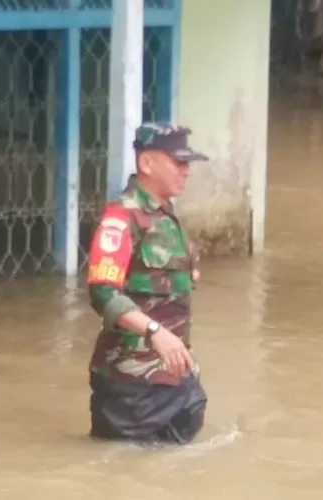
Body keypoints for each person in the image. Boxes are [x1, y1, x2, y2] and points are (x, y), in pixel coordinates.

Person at [86, 122, 208, 445]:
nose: (186, 172)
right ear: (147, 163)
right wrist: (156, 333)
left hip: (173, 378)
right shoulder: (122, 217)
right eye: (178, 162)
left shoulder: (167, 217)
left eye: (188, 164)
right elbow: (102, 291)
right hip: (130, 384)